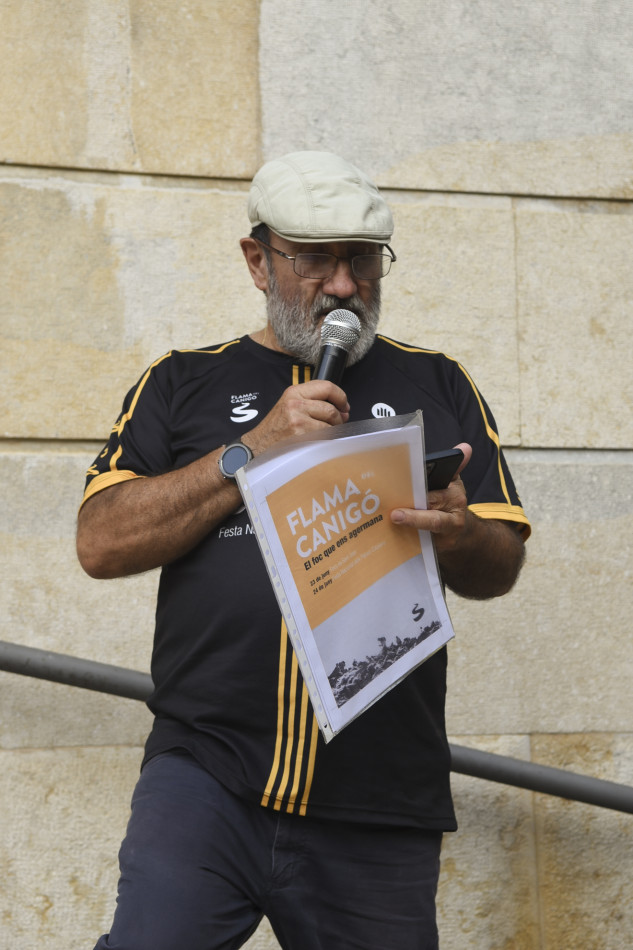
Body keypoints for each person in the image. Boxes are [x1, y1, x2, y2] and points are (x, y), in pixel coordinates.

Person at [77, 150, 529, 950]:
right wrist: (251, 449)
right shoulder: (181, 381)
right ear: (257, 260)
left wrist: (459, 532)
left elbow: (500, 566)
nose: (344, 285)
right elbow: (102, 541)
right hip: (204, 776)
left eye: (361, 259)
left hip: (378, 796)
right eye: (315, 259)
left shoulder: (438, 382)